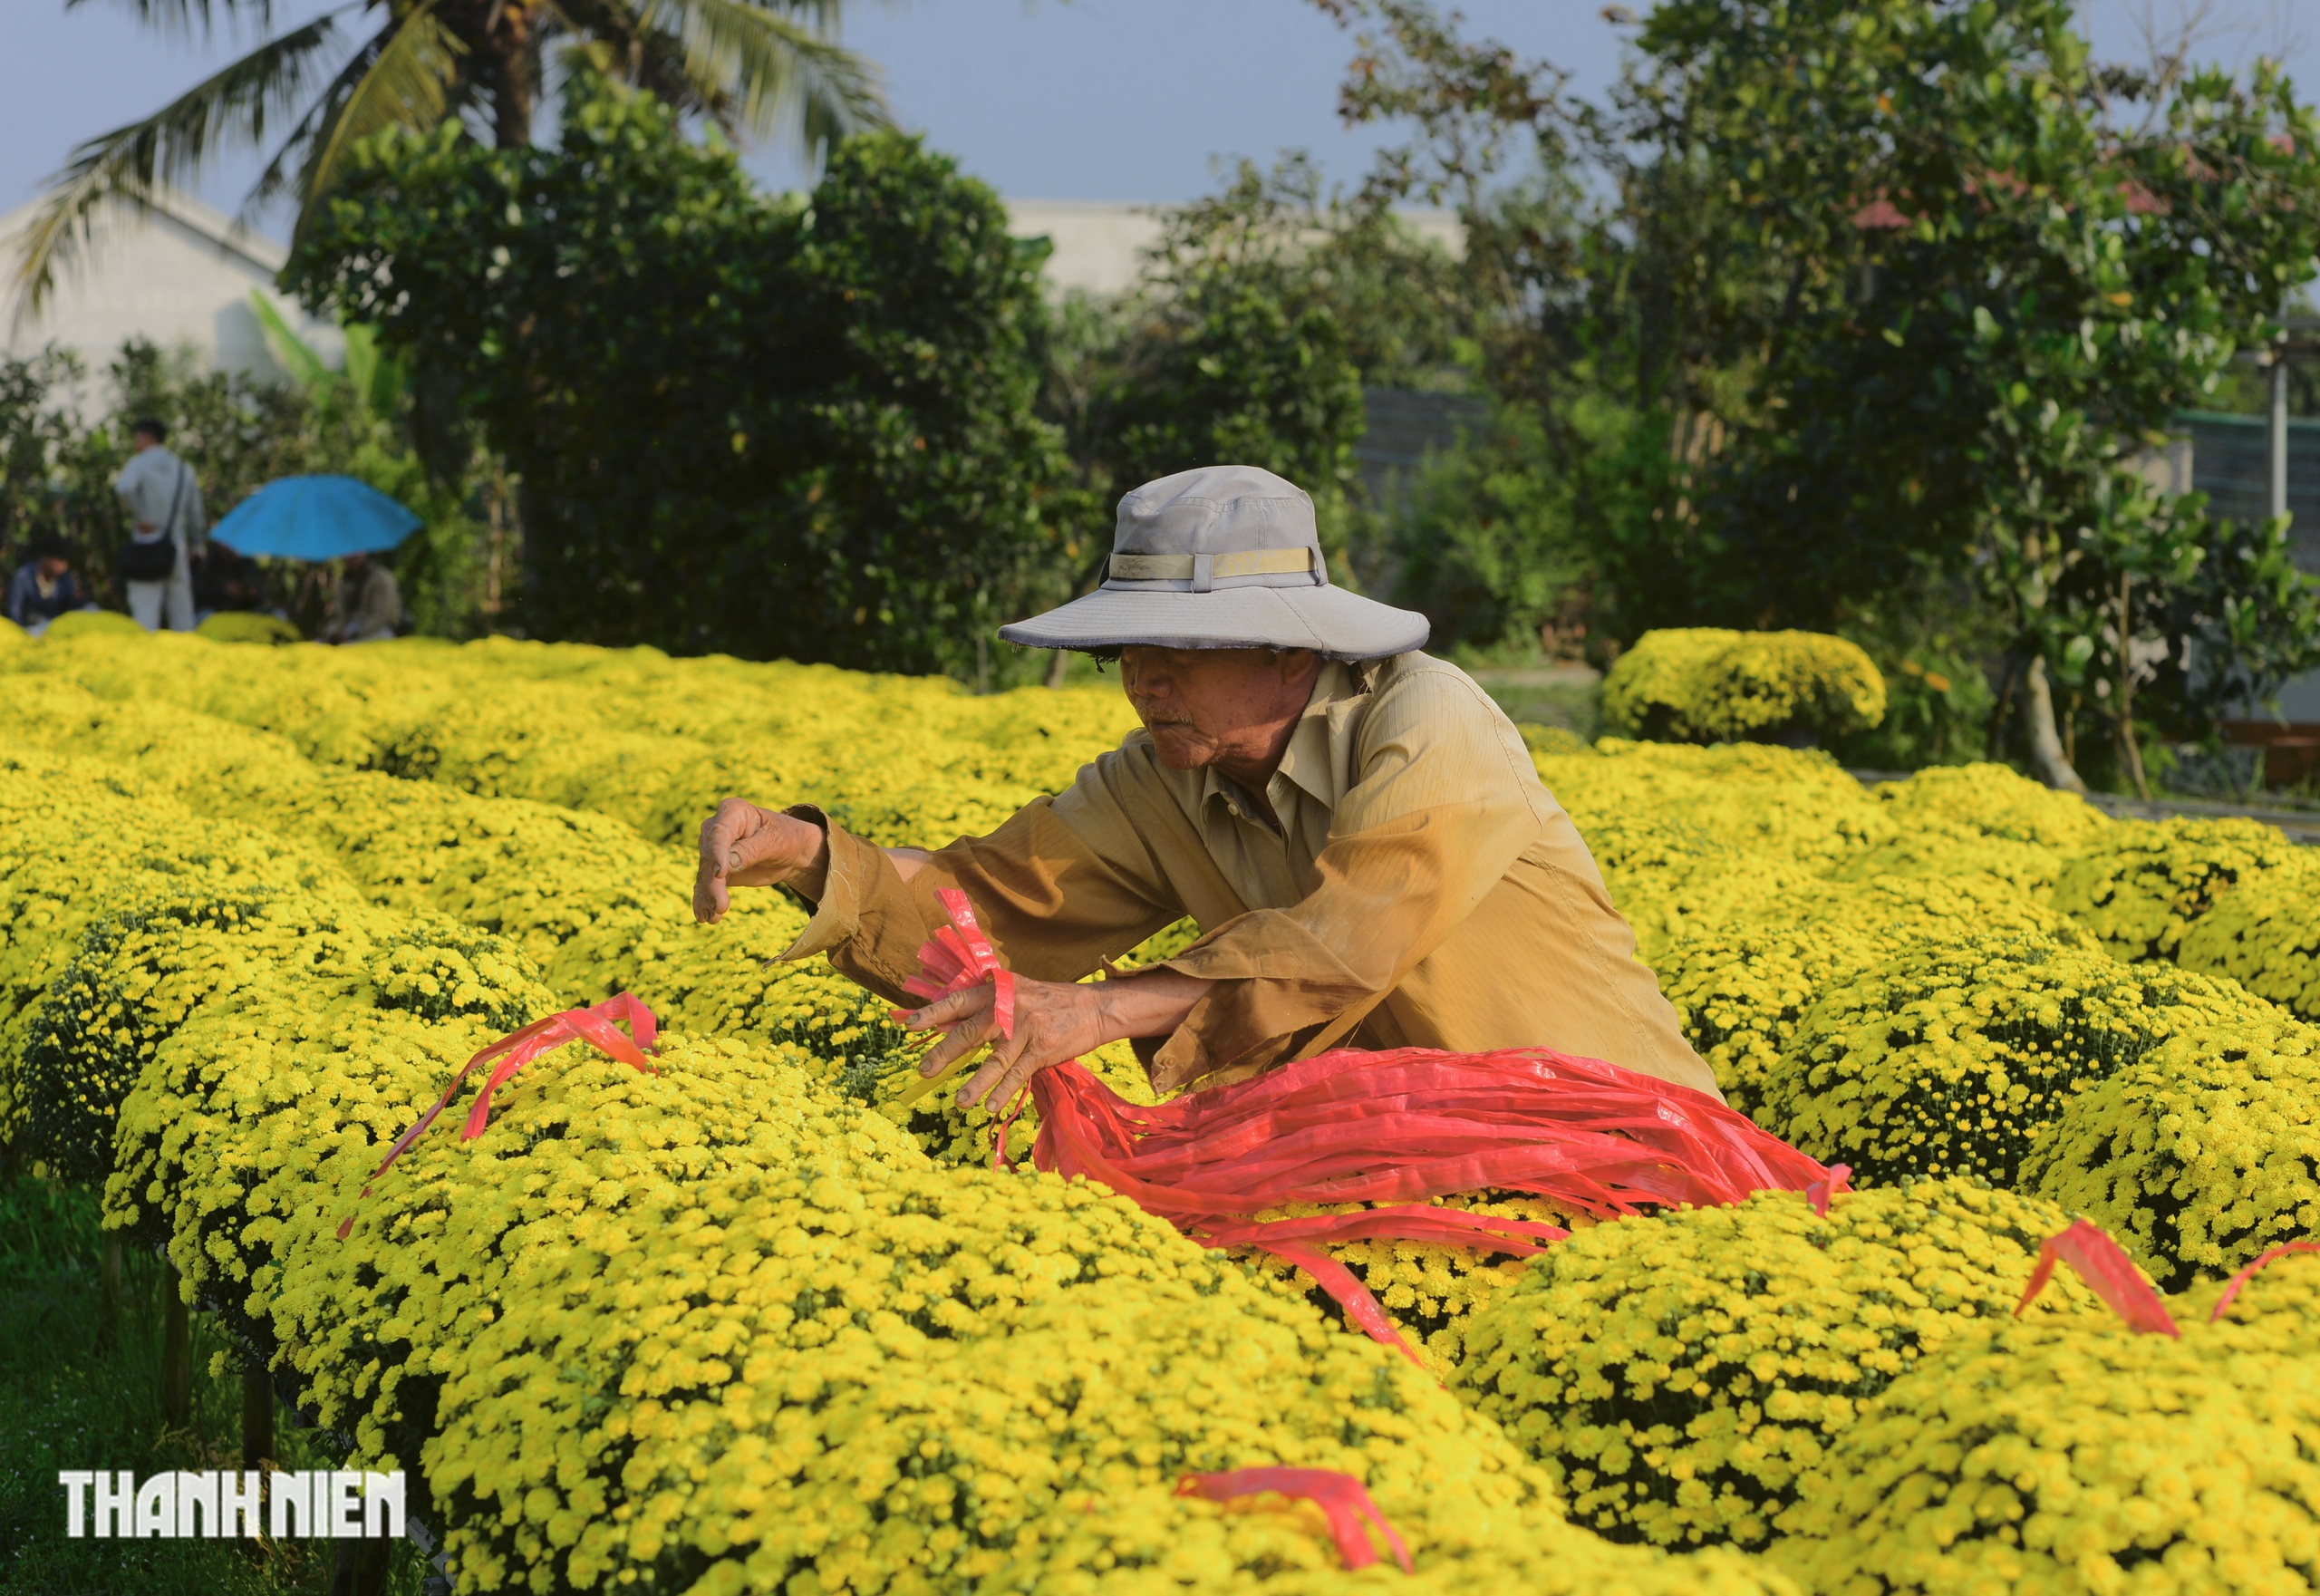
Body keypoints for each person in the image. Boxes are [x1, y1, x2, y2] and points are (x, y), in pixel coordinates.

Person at [693, 463, 1720, 1116]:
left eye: (1179, 649)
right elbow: (992, 904)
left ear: (1288, 650)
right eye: (1126, 653)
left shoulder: (1425, 716)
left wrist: (1104, 1012)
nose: (1144, 681)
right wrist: (808, 858)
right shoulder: (1165, 777)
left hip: (1631, 1143)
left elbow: (1349, 935)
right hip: (1409, 1168)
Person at [112, 417, 205, 632]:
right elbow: (196, 513)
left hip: (147, 545)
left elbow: (124, 489)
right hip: (176, 546)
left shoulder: (139, 463)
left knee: (145, 612)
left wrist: (142, 516)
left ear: (144, 437)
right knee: (182, 612)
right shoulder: (183, 468)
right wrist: (198, 545)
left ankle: (145, 662)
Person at [5, 539, 96, 635]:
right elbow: (15, 611)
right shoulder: (24, 576)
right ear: (46, 559)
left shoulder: (64, 578)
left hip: (55, 627)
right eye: (60, 560)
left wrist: (79, 598)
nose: (64, 566)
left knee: (92, 608)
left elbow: (71, 603)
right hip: (32, 629)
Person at [322, 551, 404, 643]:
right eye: (347, 553)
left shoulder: (382, 578)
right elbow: (340, 616)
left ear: (365, 553)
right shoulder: (345, 581)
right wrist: (332, 634)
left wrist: (354, 634)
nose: (351, 557)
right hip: (351, 631)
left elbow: (381, 616)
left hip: (379, 631)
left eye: (355, 553)